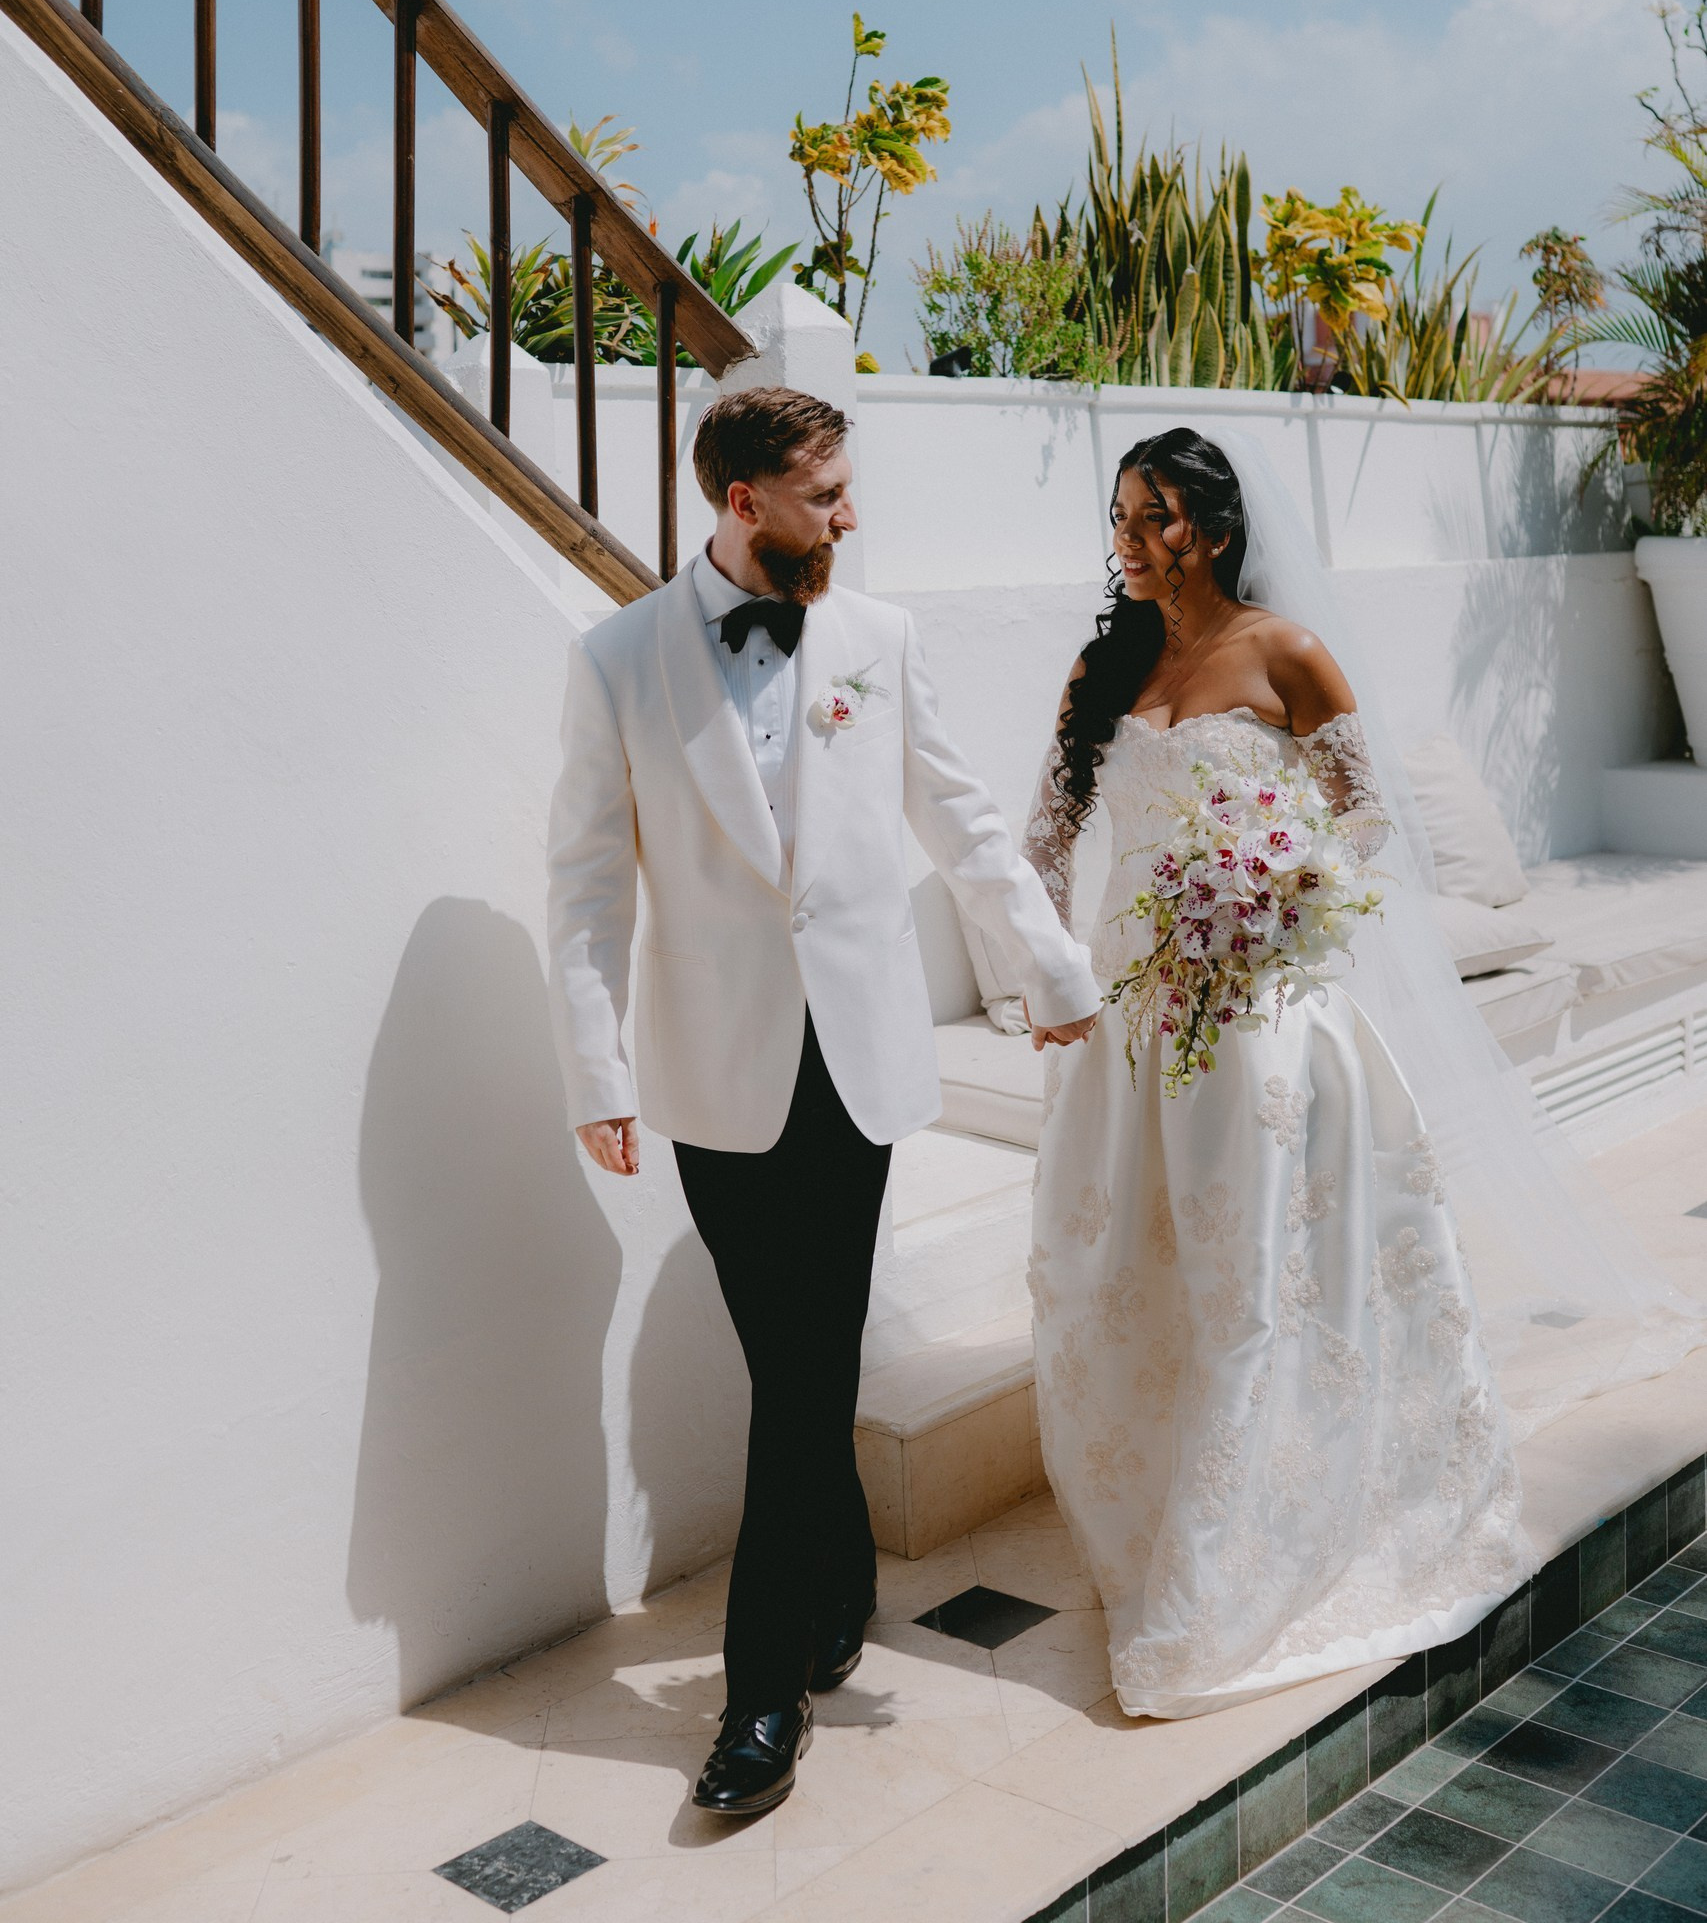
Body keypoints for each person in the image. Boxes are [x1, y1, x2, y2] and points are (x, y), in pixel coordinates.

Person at [1025, 425, 1702, 1720]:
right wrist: (1054, 972)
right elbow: (1048, 836)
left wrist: (1270, 885)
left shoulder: (1288, 652)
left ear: (1210, 532)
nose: (1124, 539)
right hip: (1135, 1012)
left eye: (1149, 516)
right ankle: (1160, 1487)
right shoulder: (1103, 663)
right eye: (1116, 515)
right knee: (1117, 1261)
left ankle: (1242, 1548)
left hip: (1264, 1005)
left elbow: (1366, 817)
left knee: (1255, 1275)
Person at [546, 385, 1100, 1813]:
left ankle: (758, 1697)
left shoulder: (880, 638)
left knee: (797, 1378)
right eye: (829, 494)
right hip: (710, 1078)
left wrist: (1048, 969)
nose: (853, 516)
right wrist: (596, 1068)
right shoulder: (618, 660)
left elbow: (963, 819)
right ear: (746, 505)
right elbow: (587, 887)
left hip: (853, 1070)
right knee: (796, 1370)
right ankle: (841, 1575)